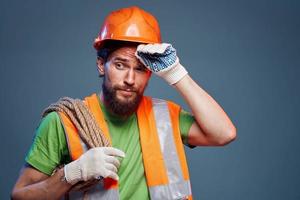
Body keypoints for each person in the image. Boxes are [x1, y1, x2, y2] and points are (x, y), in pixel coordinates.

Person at [11, 6, 236, 200]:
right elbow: (20, 195)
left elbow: (223, 133)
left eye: (140, 69)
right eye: (120, 65)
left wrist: (177, 74)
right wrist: (71, 174)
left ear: (151, 73)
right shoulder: (64, 122)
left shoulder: (166, 116)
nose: (130, 79)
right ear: (101, 65)